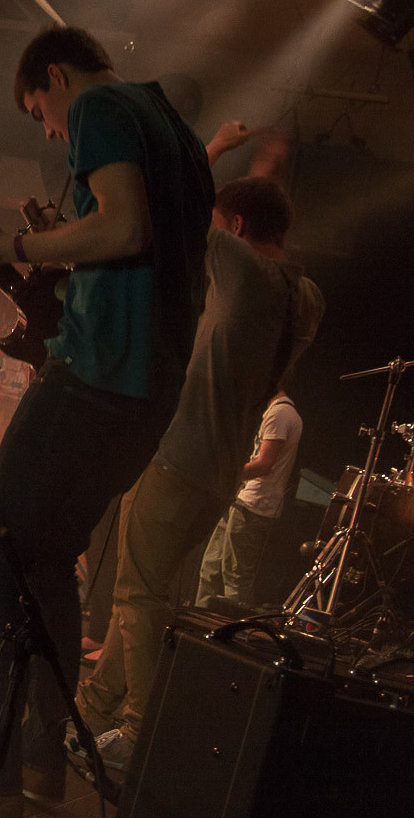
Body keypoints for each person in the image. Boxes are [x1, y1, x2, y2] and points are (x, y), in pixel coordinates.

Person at [0, 25, 216, 818]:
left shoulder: (101, 106)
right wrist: (65, 242)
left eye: (40, 113)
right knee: (49, 563)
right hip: (147, 393)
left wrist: (17, 242)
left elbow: (125, 228)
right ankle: (39, 764)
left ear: (57, 77)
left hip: (94, 378)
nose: (53, 132)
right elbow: (146, 249)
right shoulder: (177, 132)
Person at [72, 176, 322, 772]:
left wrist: (217, 152)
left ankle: (140, 730)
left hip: (178, 457)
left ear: (234, 226)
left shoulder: (241, 269)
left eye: (221, 223)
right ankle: (95, 709)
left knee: (137, 593)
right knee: (146, 589)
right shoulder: (308, 296)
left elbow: (170, 203)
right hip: (222, 472)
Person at [195, 393, 304, 607]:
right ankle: (198, 619)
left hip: (253, 506)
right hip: (243, 501)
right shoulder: (284, 412)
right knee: (211, 567)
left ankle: (232, 626)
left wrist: (227, 474)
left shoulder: (280, 413)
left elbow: (264, 464)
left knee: (235, 577)